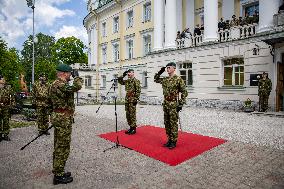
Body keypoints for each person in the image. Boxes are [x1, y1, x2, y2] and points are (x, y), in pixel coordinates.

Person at [49, 64, 83, 185]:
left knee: (59, 144)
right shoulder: (60, 84)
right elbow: (77, 86)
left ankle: (58, 170)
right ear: (64, 73)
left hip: (61, 117)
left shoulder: (56, 84)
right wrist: (77, 77)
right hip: (62, 119)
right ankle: (58, 175)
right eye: (70, 73)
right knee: (62, 146)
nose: (70, 75)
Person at [154, 62, 188, 149]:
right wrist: (160, 72)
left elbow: (184, 92)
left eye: (169, 67)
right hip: (166, 104)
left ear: (174, 68)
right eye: (167, 68)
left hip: (173, 104)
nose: (167, 69)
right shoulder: (165, 79)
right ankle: (169, 139)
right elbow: (156, 79)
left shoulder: (178, 79)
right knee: (167, 122)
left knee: (173, 123)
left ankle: (174, 141)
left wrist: (180, 104)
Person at [118, 69, 141, 135]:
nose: (128, 74)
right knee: (128, 114)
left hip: (132, 100)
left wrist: (136, 99)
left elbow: (138, 91)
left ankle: (133, 128)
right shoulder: (127, 81)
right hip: (127, 99)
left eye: (129, 72)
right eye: (127, 72)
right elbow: (120, 81)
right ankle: (130, 127)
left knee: (132, 114)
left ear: (133, 73)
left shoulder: (136, 81)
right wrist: (123, 75)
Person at [0, 75, 15, 141]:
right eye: (2, 79)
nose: (4, 81)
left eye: (4, 79)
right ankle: (0, 134)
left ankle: (6, 134)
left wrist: (12, 105)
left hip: (6, 107)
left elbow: (12, 97)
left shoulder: (8, 88)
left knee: (6, 121)